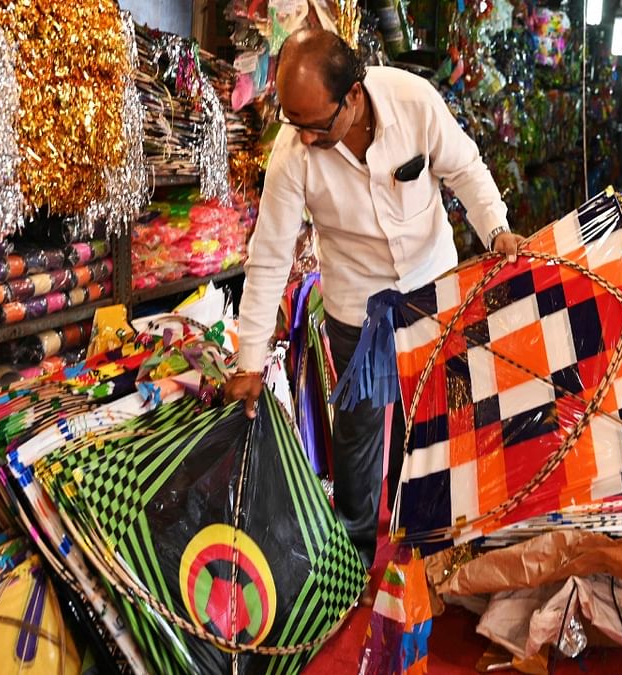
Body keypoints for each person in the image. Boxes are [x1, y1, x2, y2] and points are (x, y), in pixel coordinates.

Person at [224, 28, 524, 571]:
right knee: (357, 435)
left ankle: (430, 545)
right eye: (296, 124)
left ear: (354, 97)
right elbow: (268, 256)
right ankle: (355, 559)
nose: (306, 138)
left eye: (317, 125)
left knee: (434, 423)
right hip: (355, 308)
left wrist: (496, 229)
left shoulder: (414, 101)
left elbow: (466, 169)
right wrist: (248, 361)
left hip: (432, 292)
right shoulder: (295, 152)